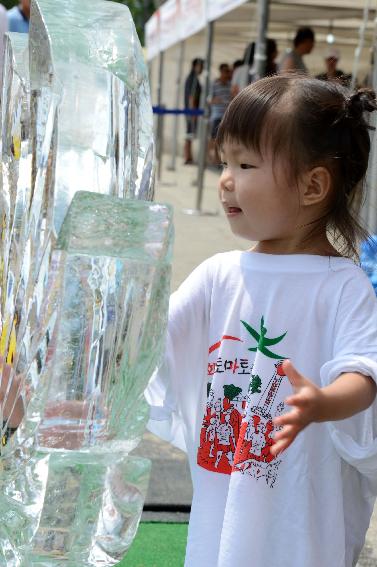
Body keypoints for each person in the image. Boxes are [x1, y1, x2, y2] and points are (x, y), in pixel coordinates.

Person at [146, 75, 377, 566]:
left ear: (314, 185)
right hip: (224, 516)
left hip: (302, 525)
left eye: (246, 164)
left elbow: (365, 372)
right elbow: (148, 343)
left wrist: (324, 401)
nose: (226, 179)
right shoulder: (218, 275)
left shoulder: (342, 285)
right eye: (224, 162)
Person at [208, 63, 231, 164]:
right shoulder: (215, 84)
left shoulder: (230, 84)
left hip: (227, 116)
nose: (227, 74)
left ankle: (219, 159)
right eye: (225, 71)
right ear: (221, 72)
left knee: (223, 139)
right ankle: (214, 158)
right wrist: (215, 100)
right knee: (214, 138)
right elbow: (208, 99)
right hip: (217, 115)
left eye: (228, 71)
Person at [183, 57, 204, 165]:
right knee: (189, 133)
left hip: (191, 110)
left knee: (190, 134)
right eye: (201, 66)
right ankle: (187, 157)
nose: (202, 69)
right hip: (192, 110)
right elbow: (192, 97)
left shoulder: (193, 78)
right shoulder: (193, 79)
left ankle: (188, 156)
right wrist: (193, 112)